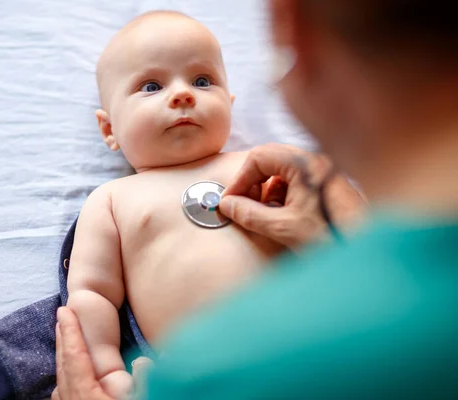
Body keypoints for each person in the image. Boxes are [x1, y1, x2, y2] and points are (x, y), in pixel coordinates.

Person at [53, 0, 458, 398]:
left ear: (229, 103)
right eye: (152, 87)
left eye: (202, 81)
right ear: (109, 129)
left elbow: (341, 256)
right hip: (202, 364)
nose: (182, 96)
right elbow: (92, 294)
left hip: (317, 339)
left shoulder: (268, 168)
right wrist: (105, 368)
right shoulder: (111, 200)